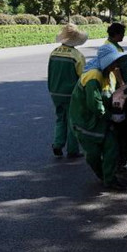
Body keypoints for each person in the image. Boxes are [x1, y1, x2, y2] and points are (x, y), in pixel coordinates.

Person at [69, 43, 127, 191]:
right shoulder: (93, 76)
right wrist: (111, 117)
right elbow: (94, 104)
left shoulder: (109, 75)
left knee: (111, 147)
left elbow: (110, 96)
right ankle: (103, 175)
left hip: (101, 121)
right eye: (113, 62)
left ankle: (110, 179)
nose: (116, 65)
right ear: (106, 61)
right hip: (85, 122)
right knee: (93, 155)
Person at [48, 23, 87, 157]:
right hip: (71, 94)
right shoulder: (77, 55)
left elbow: (50, 73)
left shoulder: (54, 52)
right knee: (73, 121)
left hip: (55, 92)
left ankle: (58, 144)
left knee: (60, 118)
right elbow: (83, 77)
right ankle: (72, 150)